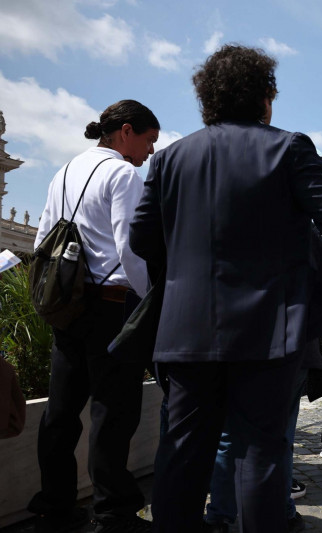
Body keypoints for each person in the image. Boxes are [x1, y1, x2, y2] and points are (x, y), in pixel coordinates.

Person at [132, 45, 322, 532]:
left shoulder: (169, 158)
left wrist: (178, 287)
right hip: (269, 328)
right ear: (265, 97)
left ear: (206, 98)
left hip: (185, 330)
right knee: (261, 453)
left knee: (182, 452)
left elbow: (141, 237)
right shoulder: (288, 147)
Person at [28, 100, 158, 533]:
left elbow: (45, 235)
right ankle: (113, 515)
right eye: (148, 140)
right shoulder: (123, 174)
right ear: (125, 132)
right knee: (113, 412)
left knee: (61, 413)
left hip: (68, 303)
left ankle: (55, 507)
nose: (150, 152)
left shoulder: (63, 171)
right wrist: (147, 299)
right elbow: (131, 247)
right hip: (110, 304)